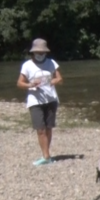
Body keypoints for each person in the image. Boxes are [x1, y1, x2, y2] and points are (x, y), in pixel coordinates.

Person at [16, 38, 63, 166]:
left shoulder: (52, 63)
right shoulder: (27, 65)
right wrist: (31, 84)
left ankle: (47, 154)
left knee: (49, 128)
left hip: (51, 99)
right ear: (33, 52)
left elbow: (60, 79)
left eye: (43, 52)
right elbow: (19, 83)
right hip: (35, 101)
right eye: (38, 52)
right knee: (40, 129)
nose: (40, 55)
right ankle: (46, 156)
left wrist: (52, 81)